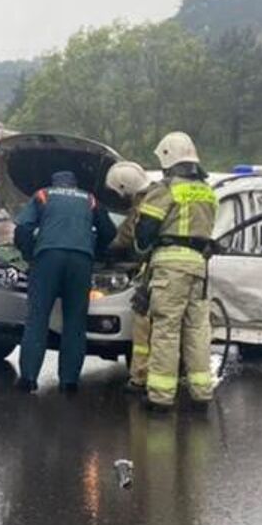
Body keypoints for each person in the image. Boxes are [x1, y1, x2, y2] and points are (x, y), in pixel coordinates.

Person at [134, 132, 219, 409]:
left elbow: (145, 231)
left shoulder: (166, 188)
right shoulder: (207, 191)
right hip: (199, 267)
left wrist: (141, 248)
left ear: (168, 158)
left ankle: (160, 397)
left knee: (166, 330)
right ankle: (201, 392)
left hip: (171, 268)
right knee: (197, 330)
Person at [13, 169, 115, 392]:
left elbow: (23, 229)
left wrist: (30, 254)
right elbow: (109, 231)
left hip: (48, 258)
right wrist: (95, 251)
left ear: (54, 182)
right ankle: (69, 382)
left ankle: (29, 378)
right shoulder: (89, 199)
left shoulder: (43, 195)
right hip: (81, 261)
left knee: (37, 319)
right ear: (74, 184)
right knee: (75, 321)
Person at [103, 160, 155, 391]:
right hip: (162, 269)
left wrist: (108, 249)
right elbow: (126, 233)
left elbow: (129, 236)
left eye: (118, 192)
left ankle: (145, 380)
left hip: (154, 270)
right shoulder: (150, 198)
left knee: (147, 327)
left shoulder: (147, 204)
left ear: (125, 188)